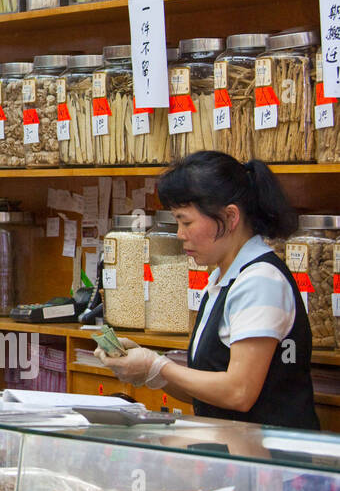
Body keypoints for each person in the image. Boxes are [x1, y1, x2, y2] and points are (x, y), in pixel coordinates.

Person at [95, 152, 319, 430]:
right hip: (236, 453)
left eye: (186, 222)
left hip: (274, 462)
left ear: (230, 216)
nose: (179, 234)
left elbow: (239, 392)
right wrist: (149, 371)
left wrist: (158, 365)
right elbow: (207, 387)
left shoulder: (261, 280)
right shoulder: (222, 278)